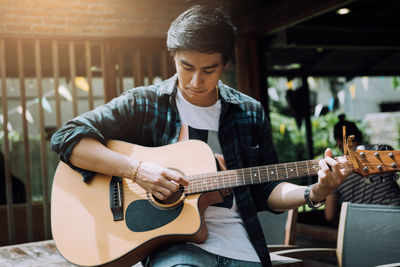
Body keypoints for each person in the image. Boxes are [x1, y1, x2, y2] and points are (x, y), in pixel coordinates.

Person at [50, 5, 352, 267]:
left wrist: (316, 192)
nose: (196, 81)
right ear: (173, 57)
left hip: (242, 247)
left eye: (209, 69)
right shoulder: (144, 104)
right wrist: (138, 171)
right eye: (187, 67)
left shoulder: (249, 112)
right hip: (176, 250)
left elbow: (266, 190)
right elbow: (68, 137)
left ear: (226, 64)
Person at [324, 115, 400, 224]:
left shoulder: (335, 170)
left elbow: (329, 215)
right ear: (359, 135)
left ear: (339, 142)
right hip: (397, 213)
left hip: (368, 226)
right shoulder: (384, 150)